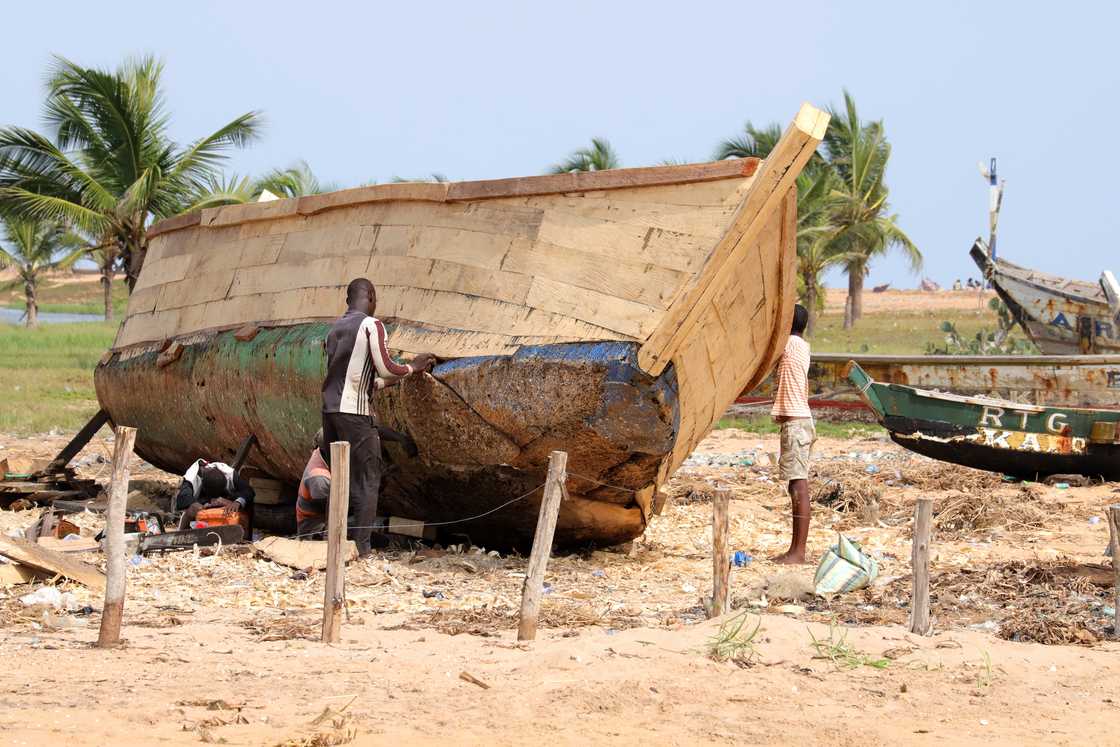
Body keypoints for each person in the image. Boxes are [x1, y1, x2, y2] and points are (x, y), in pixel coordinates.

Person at [322, 277, 434, 555]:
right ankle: (362, 547)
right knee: (369, 478)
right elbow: (386, 368)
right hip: (355, 412)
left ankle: (334, 541)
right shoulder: (372, 326)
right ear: (371, 296)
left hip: (330, 412)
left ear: (348, 300)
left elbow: (362, 379)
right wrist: (413, 366)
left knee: (343, 478)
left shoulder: (334, 330)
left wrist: (394, 380)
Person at [295, 426, 418, 538]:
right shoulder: (319, 478)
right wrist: (373, 485)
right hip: (315, 529)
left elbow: (368, 431)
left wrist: (401, 438)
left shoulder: (322, 451)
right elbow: (336, 508)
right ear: (333, 451)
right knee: (379, 540)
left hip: (332, 518)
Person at [771, 304, 815, 564]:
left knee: (799, 486)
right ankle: (795, 550)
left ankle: (798, 553)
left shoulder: (787, 345)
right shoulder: (801, 346)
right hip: (801, 422)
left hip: (796, 425)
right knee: (796, 485)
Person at [175, 459, 255, 530]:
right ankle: (181, 533)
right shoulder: (191, 478)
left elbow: (249, 491)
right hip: (202, 503)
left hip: (226, 500)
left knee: (246, 501)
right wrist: (198, 505)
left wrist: (237, 502)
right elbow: (182, 498)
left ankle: (244, 533)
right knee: (191, 510)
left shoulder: (229, 473)